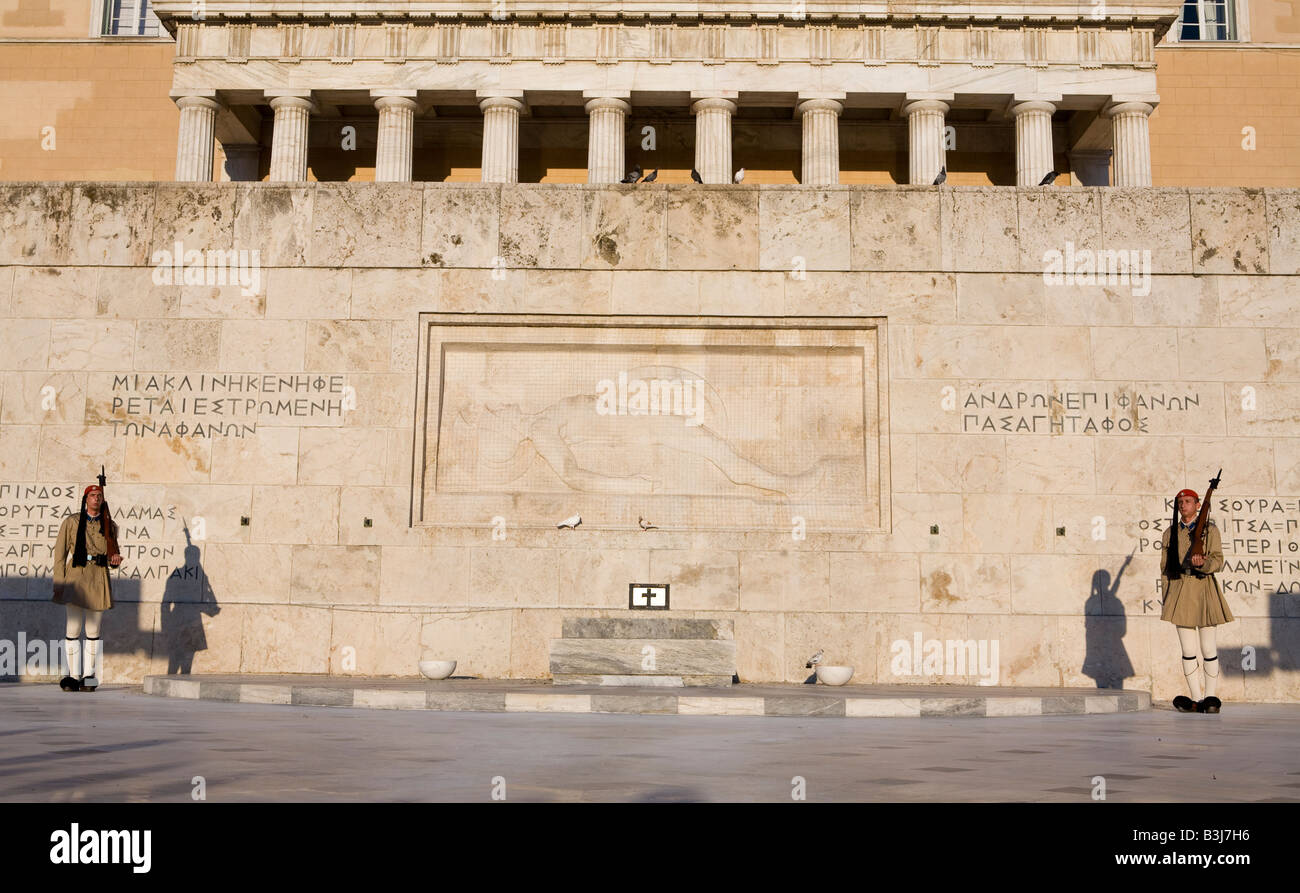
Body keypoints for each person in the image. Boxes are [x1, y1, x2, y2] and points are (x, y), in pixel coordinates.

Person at [1160, 488, 1233, 713]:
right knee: (1188, 649)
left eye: (1188, 501)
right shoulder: (1170, 532)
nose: (1183, 505)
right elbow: (1165, 568)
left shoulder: (1209, 530)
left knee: (1208, 647)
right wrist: (1167, 597)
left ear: (1198, 505)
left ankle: (1210, 697)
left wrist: (1203, 563)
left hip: (1203, 589)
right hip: (1181, 590)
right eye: (1180, 502)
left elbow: (1218, 559)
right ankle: (1196, 697)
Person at [52, 484, 121, 692]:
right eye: (92, 495)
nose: (96, 499)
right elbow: (60, 555)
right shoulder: (71, 522)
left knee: (93, 630)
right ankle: (73, 677)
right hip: (76, 576)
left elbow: (113, 555)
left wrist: (116, 561)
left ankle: (89, 677)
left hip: (98, 576)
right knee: (72, 629)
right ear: (85, 499)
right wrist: (59, 582)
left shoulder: (110, 525)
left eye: (99, 496)